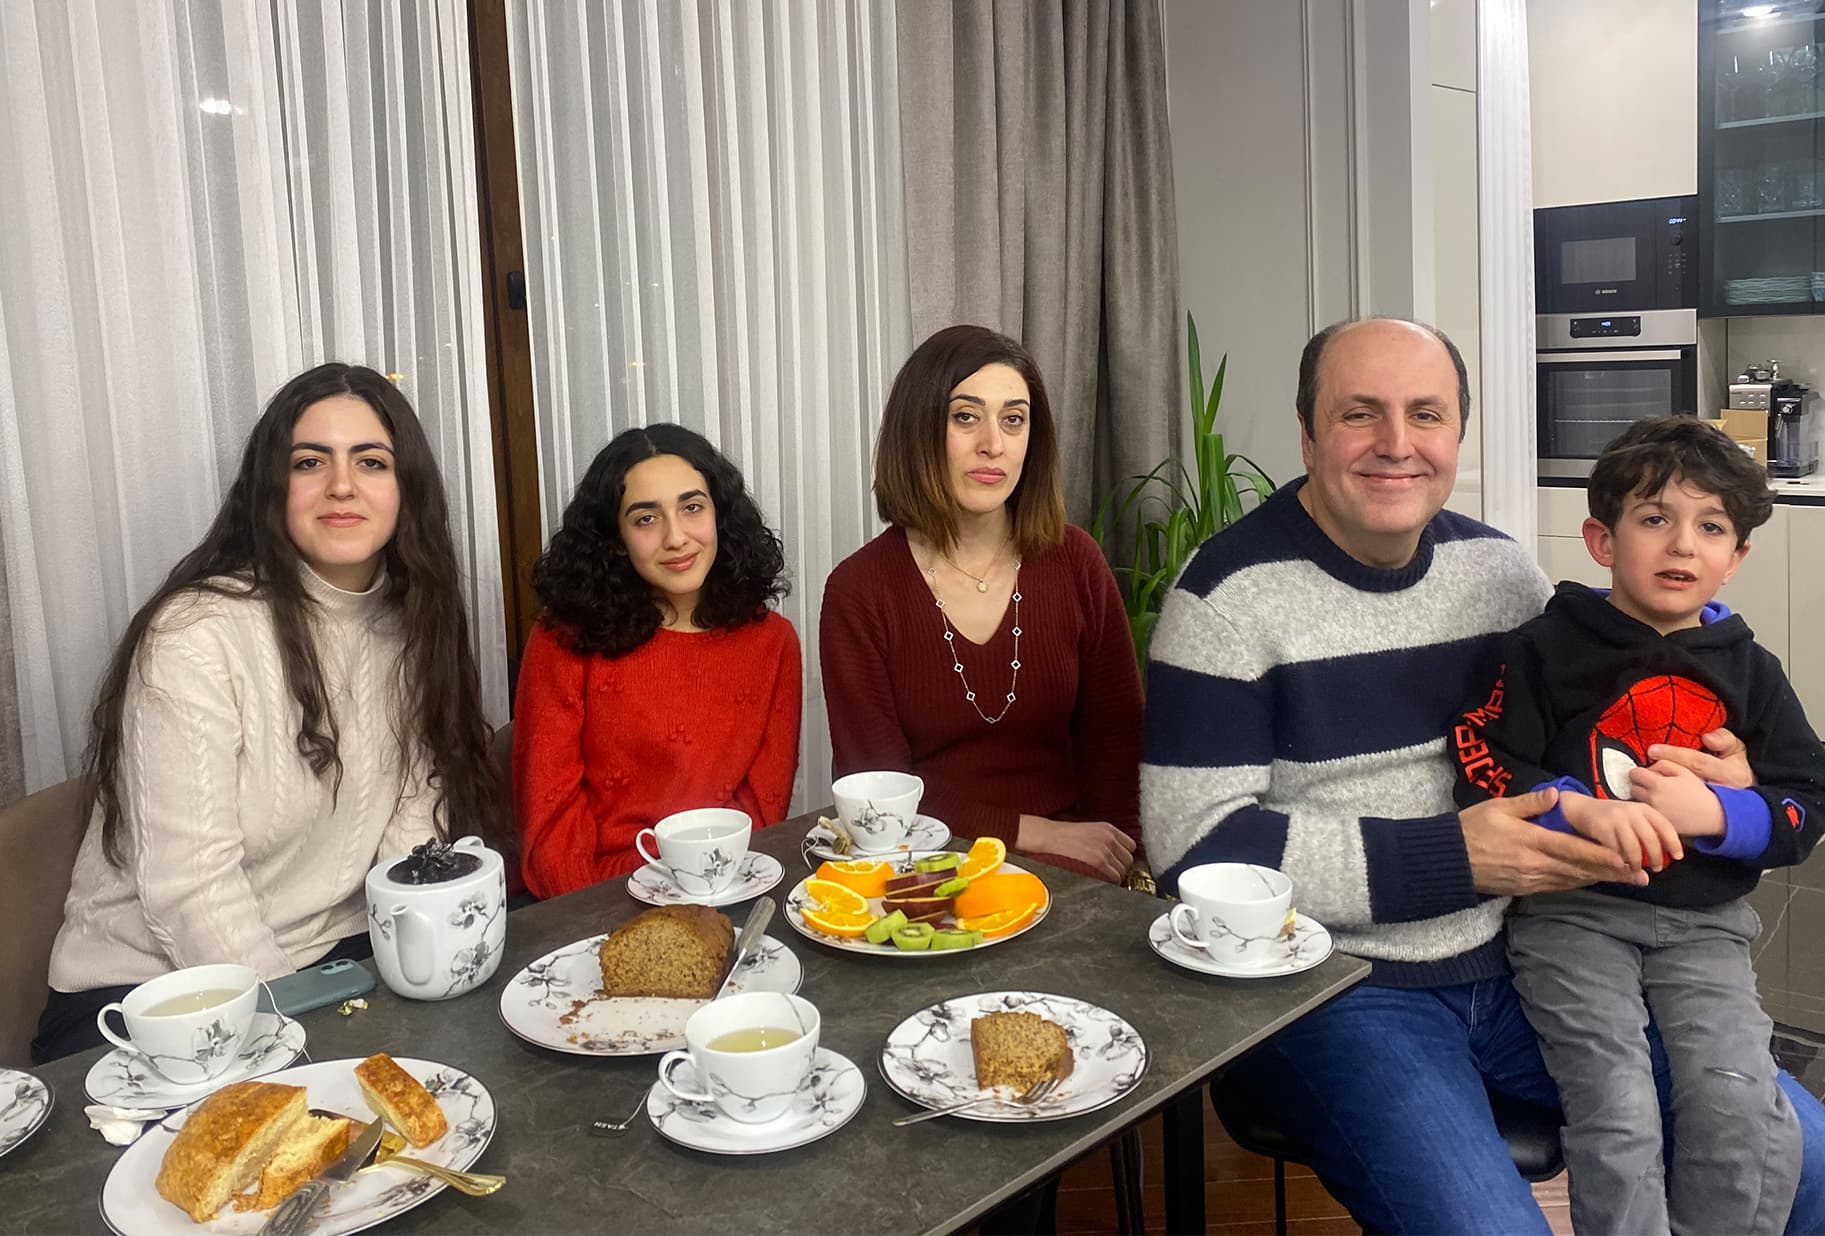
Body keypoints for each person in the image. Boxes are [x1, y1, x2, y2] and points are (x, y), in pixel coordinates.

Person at [1140, 316, 1825, 1234]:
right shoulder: (1225, 600)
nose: (1395, 443)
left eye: (1425, 413)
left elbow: (1608, 685)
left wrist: (1724, 757)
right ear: (1306, 435)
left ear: (1456, 435)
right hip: (1340, 988)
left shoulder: (1499, 572)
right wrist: (1450, 859)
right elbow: (1196, 855)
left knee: (1799, 1159)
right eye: (1359, 414)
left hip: (1538, 957)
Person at [33, 363, 497, 1063]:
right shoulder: (195, 634)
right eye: (310, 462)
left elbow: (410, 830)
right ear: (271, 488)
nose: (342, 484)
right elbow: (190, 888)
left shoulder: (412, 626)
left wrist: (418, 965)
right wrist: (306, 1035)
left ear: (406, 490)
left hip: (336, 961)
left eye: (371, 461)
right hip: (155, 991)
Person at [1452, 416, 1824, 1234]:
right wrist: (1570, 803)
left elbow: (1805, 797)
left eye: (1711, 526)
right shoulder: (1543, 647)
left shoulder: (1750, 670)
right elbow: (1481, 752)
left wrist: (1722, 811)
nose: (1681, 546)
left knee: (1735, 1105)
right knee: (1615, 1110)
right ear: (1600, 538)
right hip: (1571, 917)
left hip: (1704, 930)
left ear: (1737, 554)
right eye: (1654, 519)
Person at [820, 324, 1142, 884]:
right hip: (922, 865)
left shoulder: (1075, 560)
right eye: (965, 416)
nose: (993, 443)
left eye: (1013, 420)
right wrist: (1031, 832)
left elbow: (1117, 750)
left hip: (1076, 864)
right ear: (919, 431)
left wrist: (1124, 871)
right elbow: (877, 798)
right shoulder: (859, 590)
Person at [513, 423, 800, 899]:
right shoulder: (563, 639)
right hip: (591, 901)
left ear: (720, 516)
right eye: (646, 519)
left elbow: (762, 819)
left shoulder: (773, 642)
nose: (676, 537)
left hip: (723, 892)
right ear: (616, 538)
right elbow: (550, 841)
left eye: (692, 508)